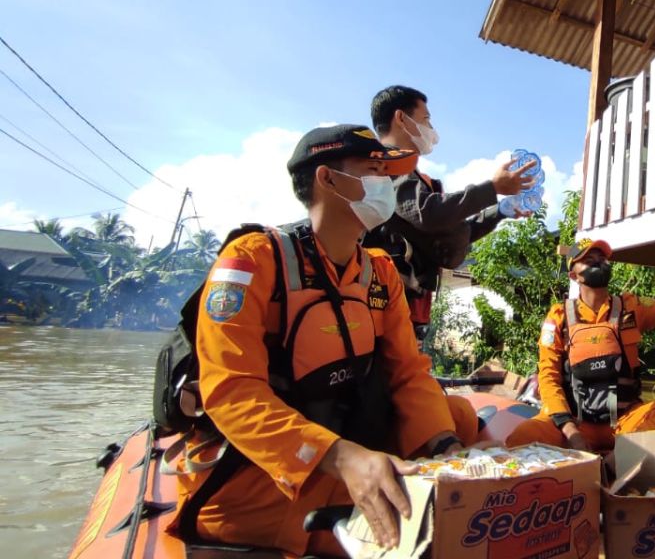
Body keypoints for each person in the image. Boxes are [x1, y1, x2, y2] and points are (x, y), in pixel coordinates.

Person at [169, 125, 478, 556]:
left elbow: (408, 370)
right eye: (373, 170)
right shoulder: (253, 260)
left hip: (345, 436)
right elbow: (231, 391)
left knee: (456, 417)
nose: (386, 185)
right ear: (328, 179)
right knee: (416, 531)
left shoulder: (380, 272)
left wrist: (443, 445)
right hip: (265, 467)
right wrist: (342, 458)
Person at [504, 235, 655, 451]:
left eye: (601, 258)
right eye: (588, 259)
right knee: (522, 437)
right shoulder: (559, 316)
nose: (598, 262)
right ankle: (617, 455)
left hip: (624, 424)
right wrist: (570, 431)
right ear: (573, 276)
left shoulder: (632, 307)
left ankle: (619, 457)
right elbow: (548, 378)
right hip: (575, 425)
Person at [365, 85, 534, 334]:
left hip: (409, 307)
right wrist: (492, 188)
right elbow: (430, 215)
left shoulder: (417, 180)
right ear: (401, 118)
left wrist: (499, 211)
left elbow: (451, 233)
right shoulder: (385, 167)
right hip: (383, 307)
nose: (430, 129)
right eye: (426, 119)